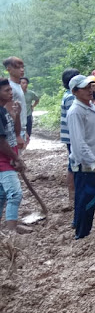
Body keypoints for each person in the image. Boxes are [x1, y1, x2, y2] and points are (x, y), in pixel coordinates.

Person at [67, 75, 95, 239]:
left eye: (89, 87)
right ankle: (82, 234)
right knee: (87, 198)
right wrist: (94, 162)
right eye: (85, 88)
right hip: (84, 164)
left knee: (86, 196)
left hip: (92, 161)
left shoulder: (90, 106)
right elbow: (78, 142)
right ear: (75, 92)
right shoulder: (75, 112)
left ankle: (81, 228)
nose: (89, 90)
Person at [0, 78, 24, 235]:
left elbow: (14, 132)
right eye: (6, 90)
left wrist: (17, 114)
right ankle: (11, 230)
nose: (11, 92)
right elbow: (1, 142)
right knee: (15, 194)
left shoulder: (4, 110)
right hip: (3, 160)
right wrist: (16, 158)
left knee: (2, 195)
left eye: (10, 90)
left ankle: (11, 225)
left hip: (8, 157)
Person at [61, 68, 80, 208]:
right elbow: (75, 119)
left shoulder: (68, 95)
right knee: (73, 163)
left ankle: (74, 194)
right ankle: (72, 195)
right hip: (73, 136)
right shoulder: (71, 98)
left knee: (74, 163)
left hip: (71, 136)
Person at [3, 57, 27, 148]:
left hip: (21, 129)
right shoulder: (10, 87)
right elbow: (10, 111)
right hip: (15, 130)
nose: (21, 70)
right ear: (9, 69)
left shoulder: (18, 85)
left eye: (22, 67)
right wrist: (17, 135)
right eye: (17, 67)